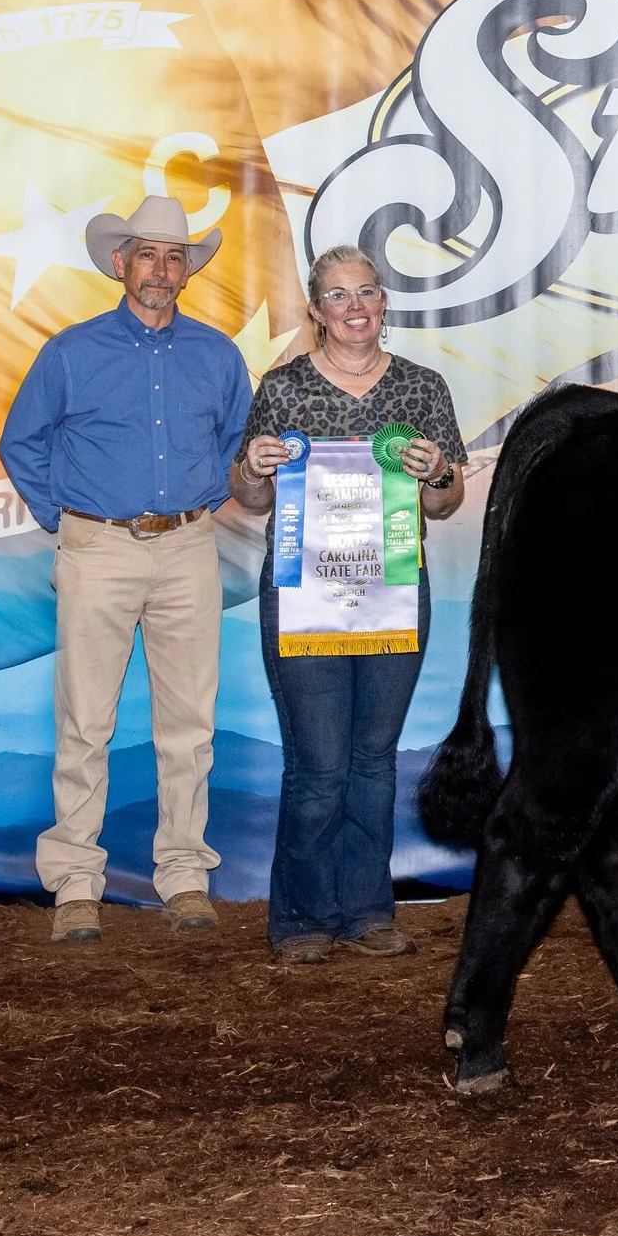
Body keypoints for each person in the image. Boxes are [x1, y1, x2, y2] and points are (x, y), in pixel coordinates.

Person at [0, 194, 252, 944]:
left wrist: (219, 491)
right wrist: (68, 519)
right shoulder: (71, 352)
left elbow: (242, 445)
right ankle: (77, 881)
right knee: (86, 721)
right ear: (120, 262)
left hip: (187, 545)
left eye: (175, 257)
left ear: (186, 270)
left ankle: (184, 876)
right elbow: (23, 442)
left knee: (189, 724)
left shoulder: (218, 355)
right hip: (98, 547)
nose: (161, 269)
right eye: (148, 253)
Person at [230, 244, 467, 964]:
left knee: (373, 758)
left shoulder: (424, 389)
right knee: (318, 763)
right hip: (305, 596)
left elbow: (447, 501)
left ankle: (367, 909)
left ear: (384, 304)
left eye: (367, 292)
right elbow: (249, 495)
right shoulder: (282, 388)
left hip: (394, 591)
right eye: (338, 295)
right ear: (315, 311)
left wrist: (436, 476)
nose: (355, 307)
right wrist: (253, 466)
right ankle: (301, 915)